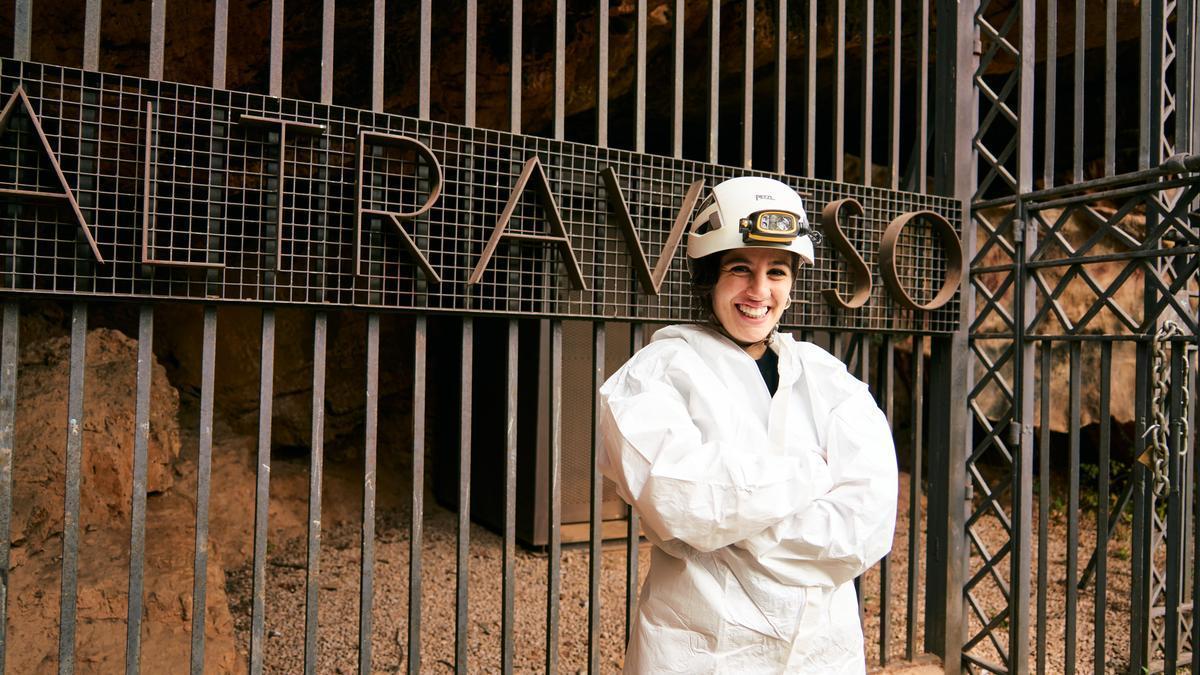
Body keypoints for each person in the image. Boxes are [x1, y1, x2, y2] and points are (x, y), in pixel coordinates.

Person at [597, 176, 898, 673]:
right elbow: (684, 500)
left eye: (777, 271)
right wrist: (813, 474)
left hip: (820, 654)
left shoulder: (827, 378)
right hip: (702, 651)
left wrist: (735, 522)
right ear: (709, 277)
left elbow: (865, 528)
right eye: (740, 268)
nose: (760, 291)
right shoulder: (655, 375)